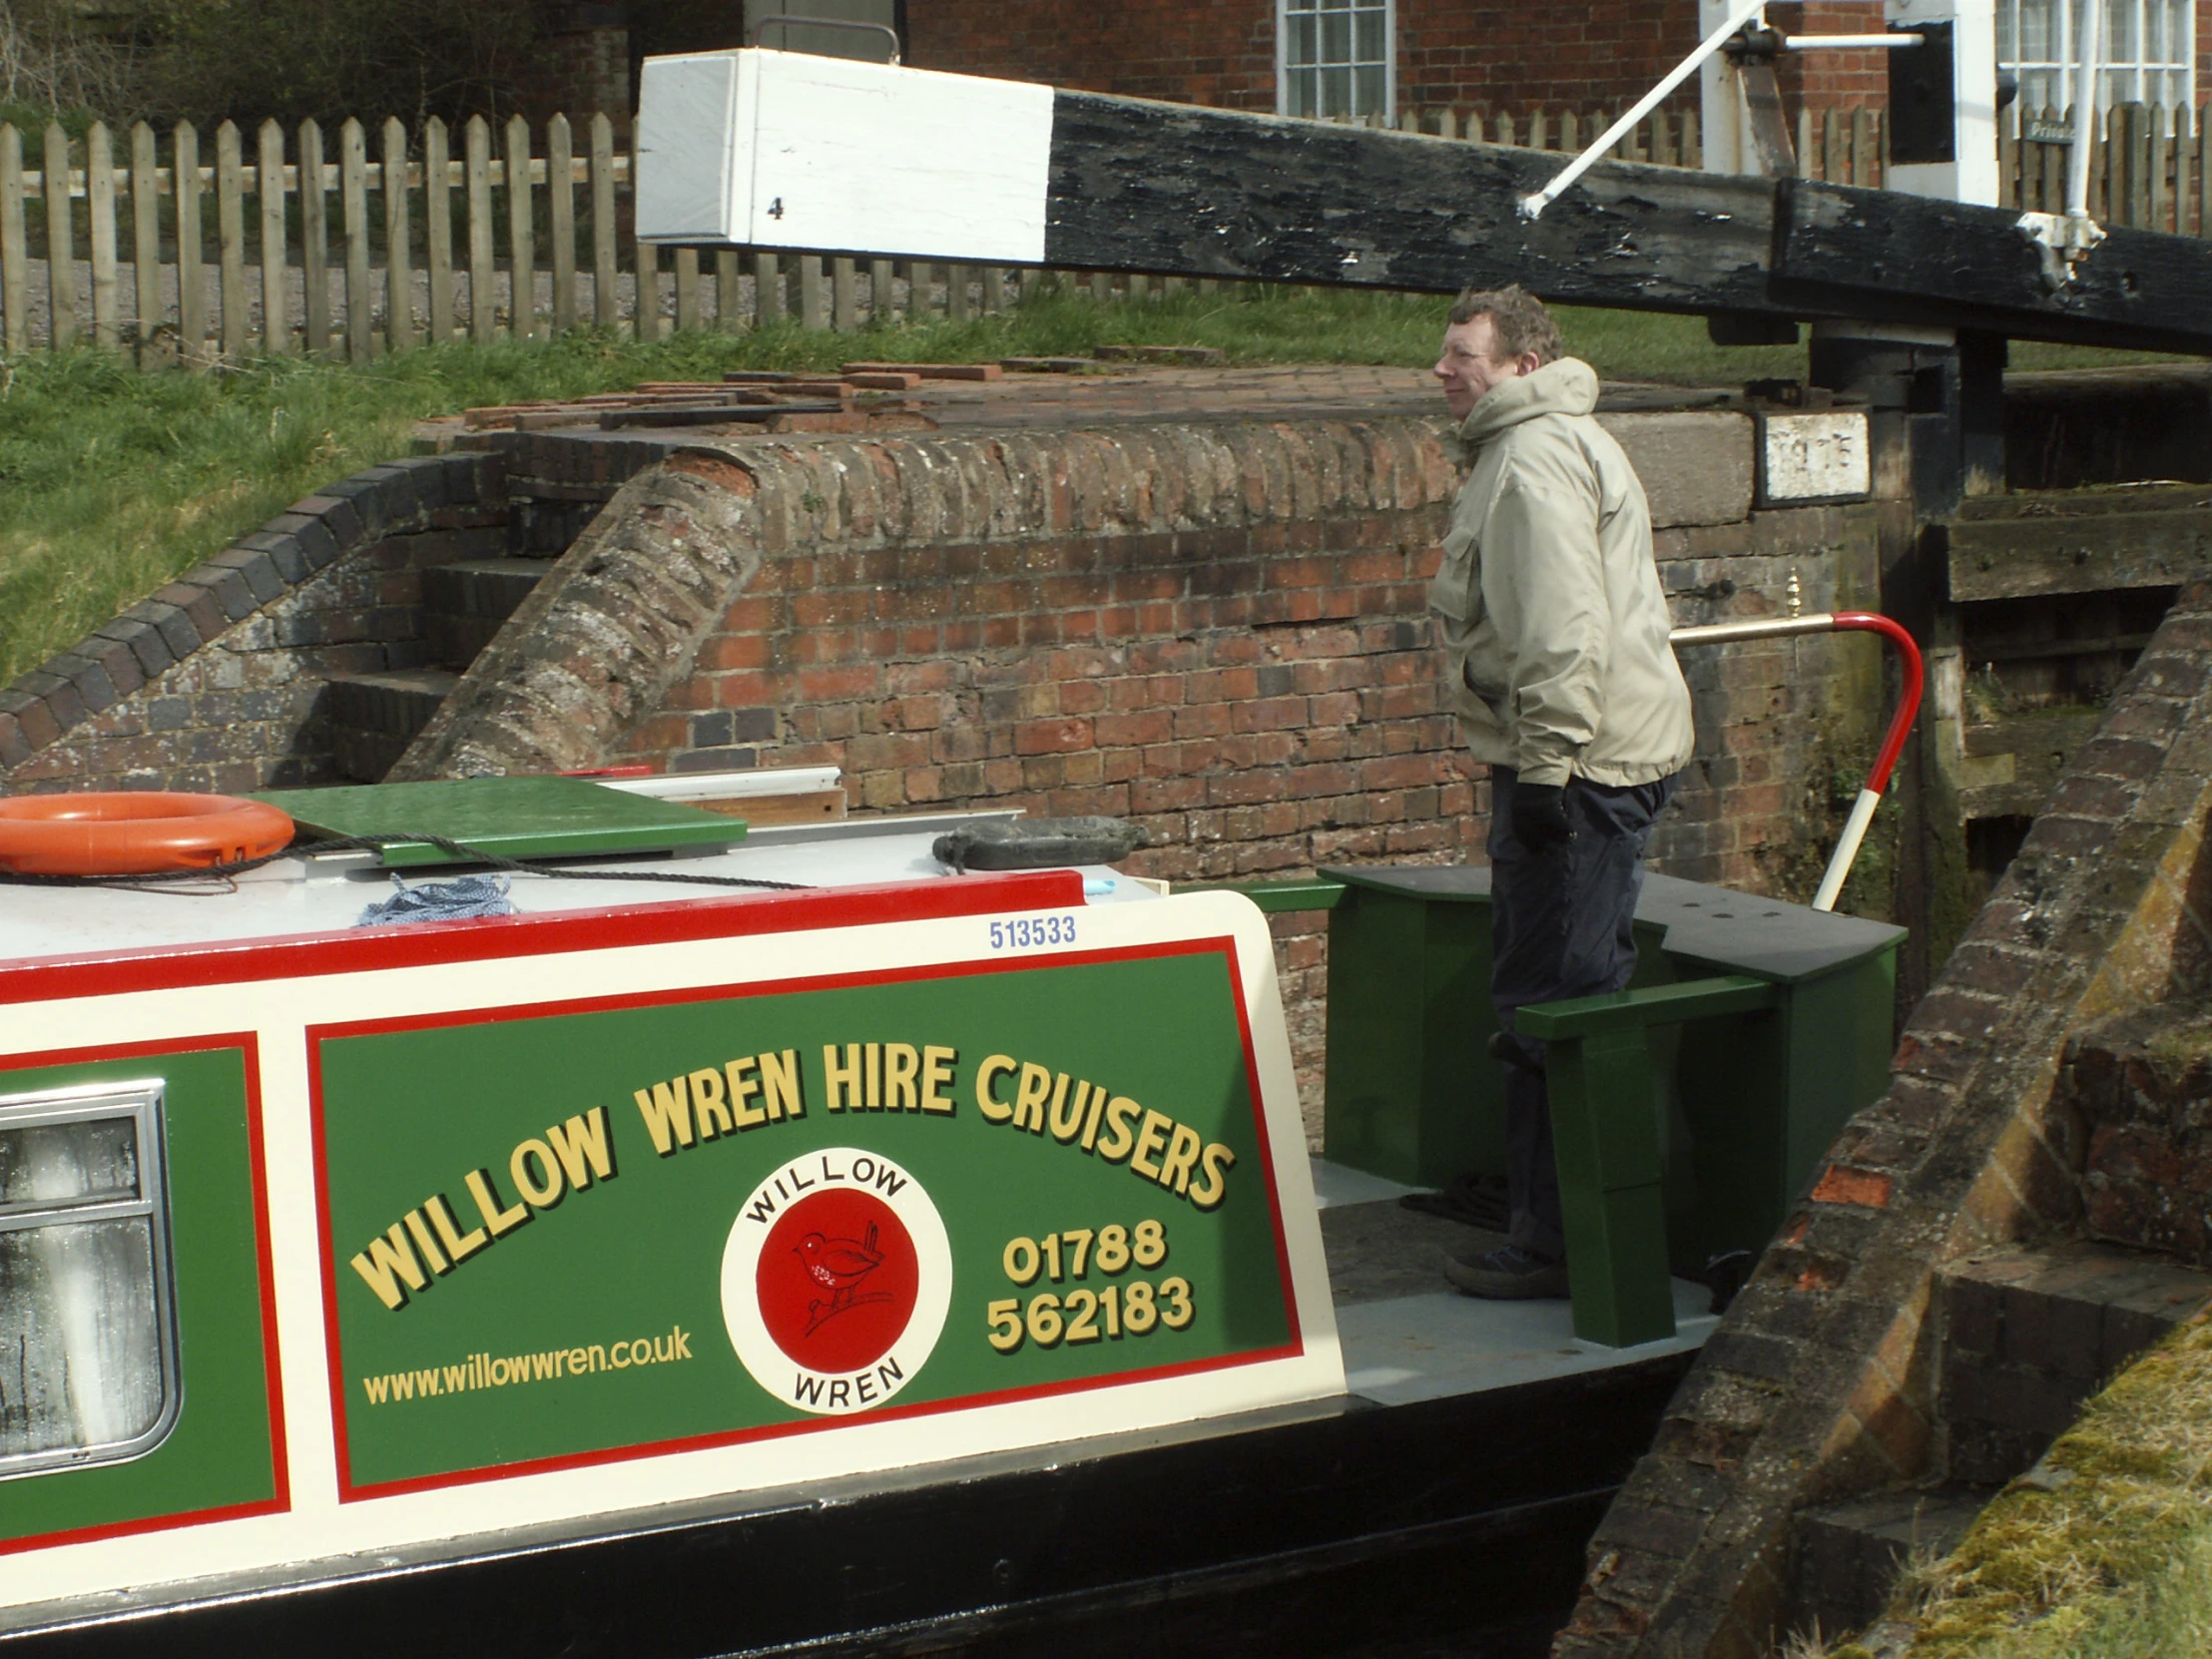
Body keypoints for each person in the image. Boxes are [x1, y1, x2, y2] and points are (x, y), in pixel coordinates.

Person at [1425, 285, 1694, 1301]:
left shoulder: (1530, 460)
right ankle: (1553, 1218)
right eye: (1444, 354)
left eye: (1463, 355)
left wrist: (1544, 770)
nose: (1443, 371)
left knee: (1551, 1001)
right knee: (1551, 993)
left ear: (1520, 366)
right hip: (1587, 760)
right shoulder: (1535, 444)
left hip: (1574, 772)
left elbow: (1559, 630)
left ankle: (1557, 1244)